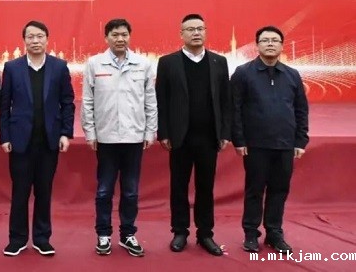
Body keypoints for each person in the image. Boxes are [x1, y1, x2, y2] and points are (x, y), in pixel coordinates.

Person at [155, 14, 231, 256]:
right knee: (178, 186)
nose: (196, 33)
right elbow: (161, 100)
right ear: (181, 34)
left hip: (209, 136)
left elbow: (225, 100)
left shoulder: (219, 62)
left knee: (205, 187)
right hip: (180, 137)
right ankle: (180, 231)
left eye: (200, 28)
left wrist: (224, 132)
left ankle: (205, 234)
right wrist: (163, 132)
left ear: (205, 32)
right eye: (190, 29)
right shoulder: (168, 63)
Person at [81, 18, 157, 257]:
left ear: (129, 36)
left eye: (124, 34)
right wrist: (90, 132)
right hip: (106, 138)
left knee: (131, 191)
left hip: (134, 137)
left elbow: (150, 100)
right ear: (106, 38)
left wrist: (150, 131)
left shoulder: (143, 64)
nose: (120, 39)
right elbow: (88, 101)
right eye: (115, 35)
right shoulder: (94, 63)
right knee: (104, 190)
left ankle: (127, 234)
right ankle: (103, 234)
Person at [0, 21, 75, 257]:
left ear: (47, 39)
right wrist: (4, 136)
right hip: (20, 141)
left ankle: (42, 239)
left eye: (39, 36)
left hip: (49, 141)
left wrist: (66, 133)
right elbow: (4, 105)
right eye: (30, 36)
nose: (35, 41)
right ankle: (17, 239)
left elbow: (67, 102)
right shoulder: (12, 67)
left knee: (44, 192)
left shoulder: (59, 67)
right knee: (20, 193)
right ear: (24, 40)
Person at [232, 25, 309, 254]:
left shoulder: (292, 75)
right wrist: (239, 139)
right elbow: (234, 108)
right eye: (265, 40)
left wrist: (300, 140)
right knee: (254, 190)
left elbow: (301, 110)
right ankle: (251, 233)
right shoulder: (243, 73)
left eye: (275, 40)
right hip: (255, 144)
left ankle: (274, 232)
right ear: (257, 45)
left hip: (285, 144)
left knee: (279, 189)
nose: (270, 44)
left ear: (282, 46)